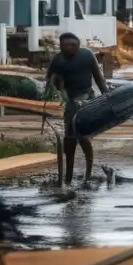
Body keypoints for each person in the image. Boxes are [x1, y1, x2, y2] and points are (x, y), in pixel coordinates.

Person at [46, 33, 109, 186]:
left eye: (73, 45)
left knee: (83, 136)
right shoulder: (58, 60)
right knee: (69, 138)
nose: (70, 48)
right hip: (70, 100)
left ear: (78, 45)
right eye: (66, 45)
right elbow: (49, 80)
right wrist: (55, 88)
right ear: (60, 46)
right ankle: (68, 176)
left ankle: (87, 174)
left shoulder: (87, 56)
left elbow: (99, 78)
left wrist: (107, 96)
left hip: (87, 98)